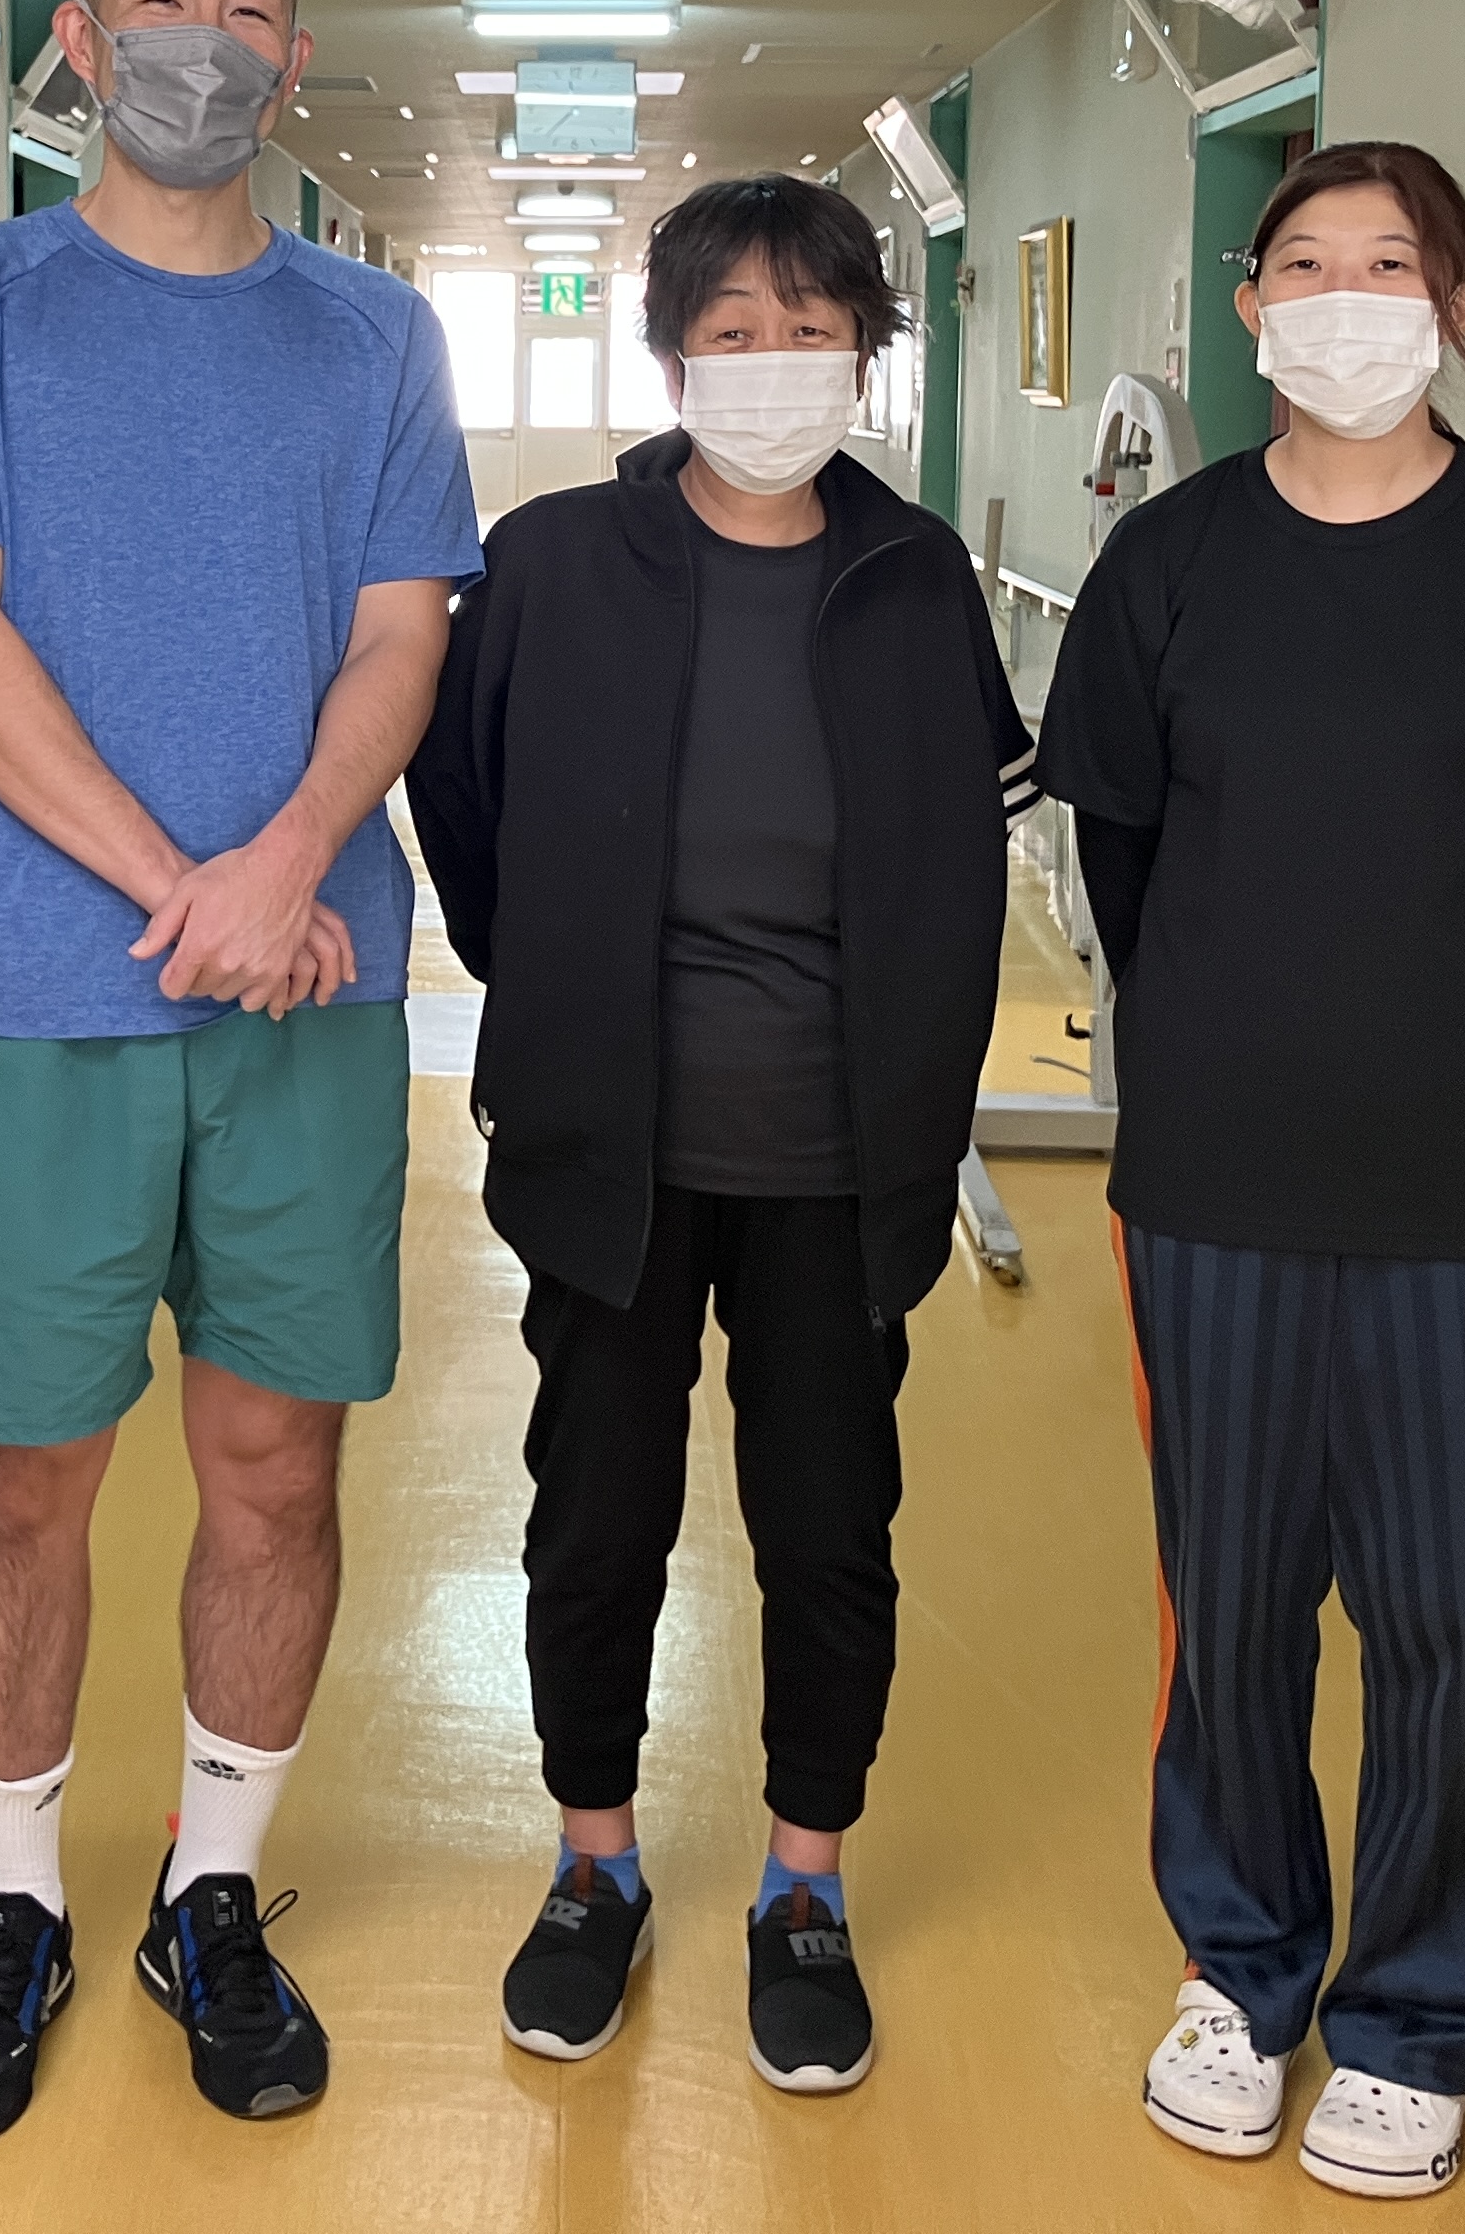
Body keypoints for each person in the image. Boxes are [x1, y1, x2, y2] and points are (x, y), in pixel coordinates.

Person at [0, 0, 478, 2142]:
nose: (208, 35)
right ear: (82, 44)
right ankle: (12, 1904)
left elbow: (403, 632)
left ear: (295, 52)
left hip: (309, 983)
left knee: (275, 1465)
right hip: (36, 999)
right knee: (26, 1471)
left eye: (252, 2)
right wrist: (182, 889)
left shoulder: (374, 337)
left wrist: (286, 864)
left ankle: (212, 1890)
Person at [1039, 139, 1465, 2202]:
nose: (1344, 300)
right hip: (1215, 1175)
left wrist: (1450, 1041)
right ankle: (1241, 1976)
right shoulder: (1169, 568)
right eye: (1303, 264)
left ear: (1461, 307)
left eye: (1391, 264)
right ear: (1251, 308)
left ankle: (1414, 2017)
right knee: (1227, 1604)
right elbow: (1125, 860)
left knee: (1442, 1619)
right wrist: (1241, 1033)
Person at [404, 175, 1037, 2094]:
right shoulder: (551, 564)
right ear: (671, 358)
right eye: (732, 333)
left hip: (843, 1155)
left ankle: (803, 1884)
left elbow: (968, 849)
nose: (771, 366)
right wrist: (560, 1001)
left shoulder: (913, 576)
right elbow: (466, 812)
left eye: (810, 332)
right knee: (596, 1517)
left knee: (830, 1526)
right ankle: (593, 1864)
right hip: (610, 1142)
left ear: (867, 355)